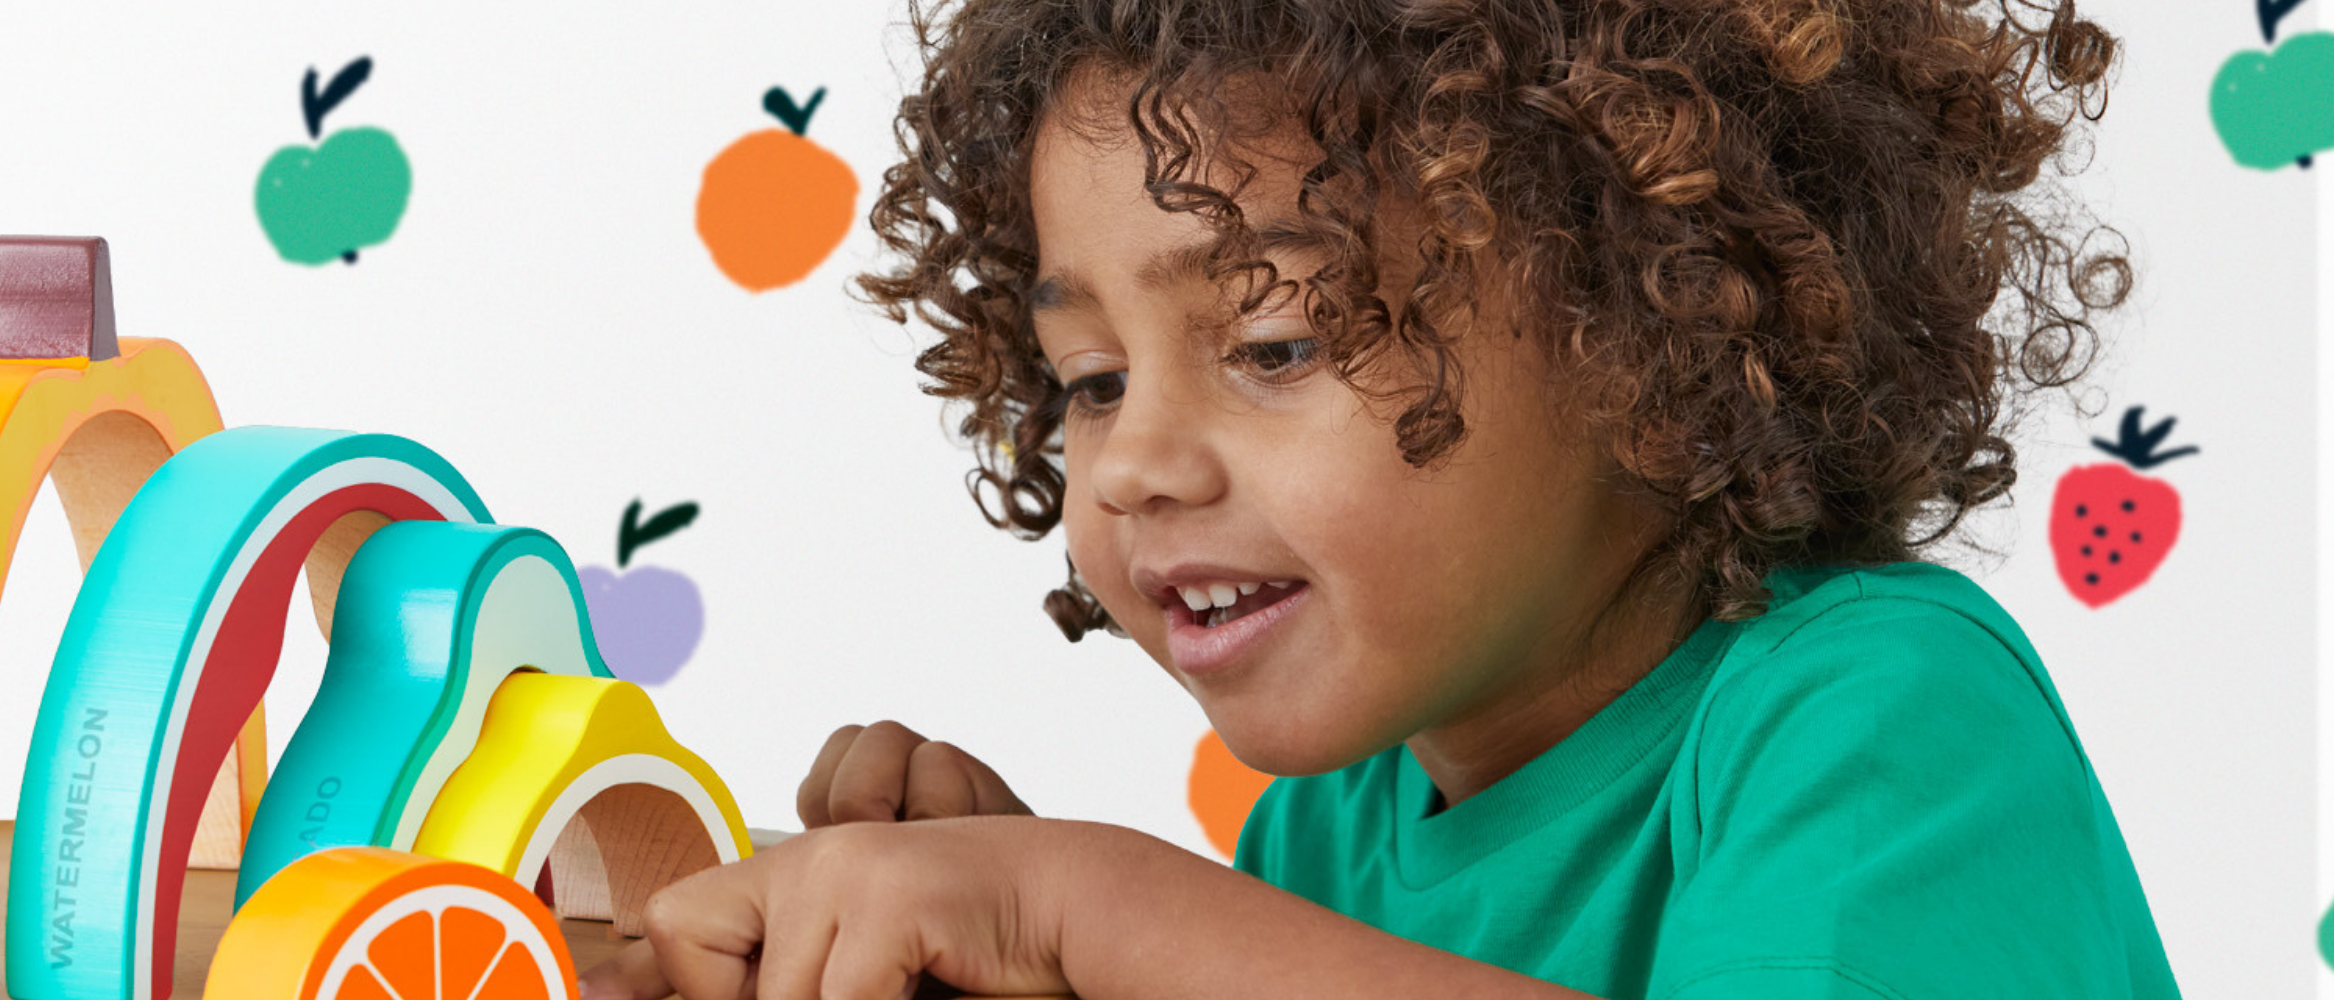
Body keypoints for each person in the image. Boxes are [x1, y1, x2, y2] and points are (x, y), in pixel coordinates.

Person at [584, 0, 2175, 996]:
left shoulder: (1880, 715)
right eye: (1092, 378)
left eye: (1275, 342)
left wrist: (1088, 911)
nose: (1130, 464)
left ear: (1654, 330)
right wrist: (1013, 961)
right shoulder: (1325, 840)